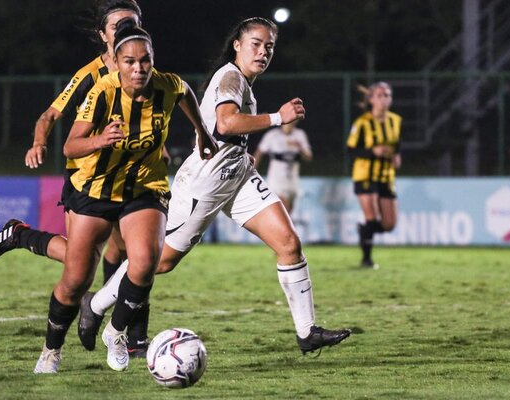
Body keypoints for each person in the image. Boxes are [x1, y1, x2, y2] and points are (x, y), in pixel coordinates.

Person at [79, 17, 351, 358]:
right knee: (158, 263)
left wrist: (242, 153)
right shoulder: (231, 77)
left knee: (289, 243)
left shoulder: (243, 82)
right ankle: (96, 303)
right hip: (203, 184)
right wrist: (278, 117)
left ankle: (307, 332)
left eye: (269, 46)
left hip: (236, 178)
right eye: (255, 43)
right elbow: (225, 124)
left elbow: (226, 132)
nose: (263, 51)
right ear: (237, 44)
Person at [33, 20, 217, 374]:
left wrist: (202, 133)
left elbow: (185, 94)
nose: (138, 68)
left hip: (144, 188)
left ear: (152, 59)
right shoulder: (102, 91)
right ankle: (51, 351)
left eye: (145, 60)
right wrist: (100, 140)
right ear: (117, 63)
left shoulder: (167, 84)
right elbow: (71, 145)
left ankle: (116, 333)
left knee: (146, 261)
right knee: (75, 281)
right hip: (97, 188)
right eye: (130, 62)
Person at [0, 0, 143, 285]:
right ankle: (20, 234)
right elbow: (49, 115)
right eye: (117, 26)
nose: (125, 30)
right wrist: (38, 143)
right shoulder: (90, 75)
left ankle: (107, 314)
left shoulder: (142, 70)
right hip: (88, 177)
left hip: (124, 174)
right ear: (103, 35)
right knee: (79, 259)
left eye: (131, 24)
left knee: (127, 248)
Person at [346, 81, 402, 269]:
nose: (384, 99)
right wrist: (372, 151)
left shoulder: (396, 121)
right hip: (364, 175)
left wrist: (396, 156)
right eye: (379, 95)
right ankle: (367, 259)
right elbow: (350, 151)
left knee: (389, 224)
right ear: (371, 99)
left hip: (386, 176)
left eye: (387, 95)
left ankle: (364, 231)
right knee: (371, 216)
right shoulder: (362, 123)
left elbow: (397, 145)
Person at [253, 120, 312, 214]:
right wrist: (252, 170)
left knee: (289, 211)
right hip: (276, 180)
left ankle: (277, 227)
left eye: (292, 123)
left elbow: (309, 157)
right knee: (283, 207)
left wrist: (300, 147)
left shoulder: (299, 135)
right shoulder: (272, 135)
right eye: (288, 123)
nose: (290, 125)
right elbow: (259, 152)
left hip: (292, 180)